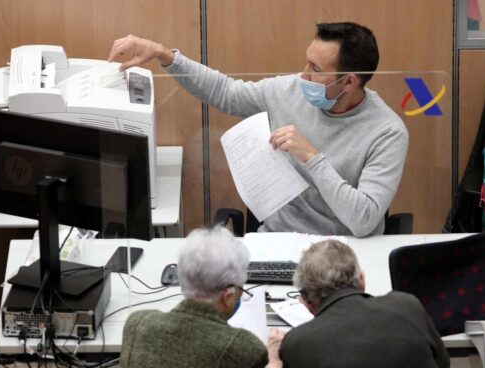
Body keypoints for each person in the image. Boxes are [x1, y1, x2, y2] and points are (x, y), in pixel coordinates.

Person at [109, 22, 408, 237]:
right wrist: (166, 56)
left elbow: (364, 220)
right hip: (278, 241)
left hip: (344, 251)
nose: (303, 74)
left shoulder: (387, 132)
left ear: (349, 82)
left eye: (316, 70)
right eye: (307, 62)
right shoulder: (291, 90)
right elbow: (225, 92)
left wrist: (312, 157)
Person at [120, 226, 282, 368]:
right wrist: (274, 362)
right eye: (241, 289)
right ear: (228, 296)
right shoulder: (244, 347)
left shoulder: (137, 323)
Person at [271, 240, 450, 368]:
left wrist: (274, 362)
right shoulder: (408, 306)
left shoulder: (297, 344)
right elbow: (444, 363)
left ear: (306, 302)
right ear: (362, 279)